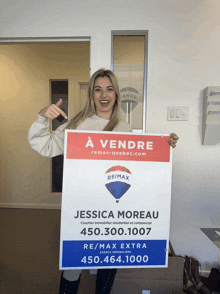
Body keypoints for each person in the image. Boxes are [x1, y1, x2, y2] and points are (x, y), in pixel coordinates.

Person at [28, 68, 179, 294]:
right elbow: (44, 144)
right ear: (92, 94)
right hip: (83, 210)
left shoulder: (125, 129)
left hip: (113, 211)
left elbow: (137, 169)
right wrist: (42, 117)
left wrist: (164, 147)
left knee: (110, 261)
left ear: (116, 94)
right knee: (73, 266)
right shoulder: (78, 125)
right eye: (97, 89)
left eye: (109, 89)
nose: (103, 94)